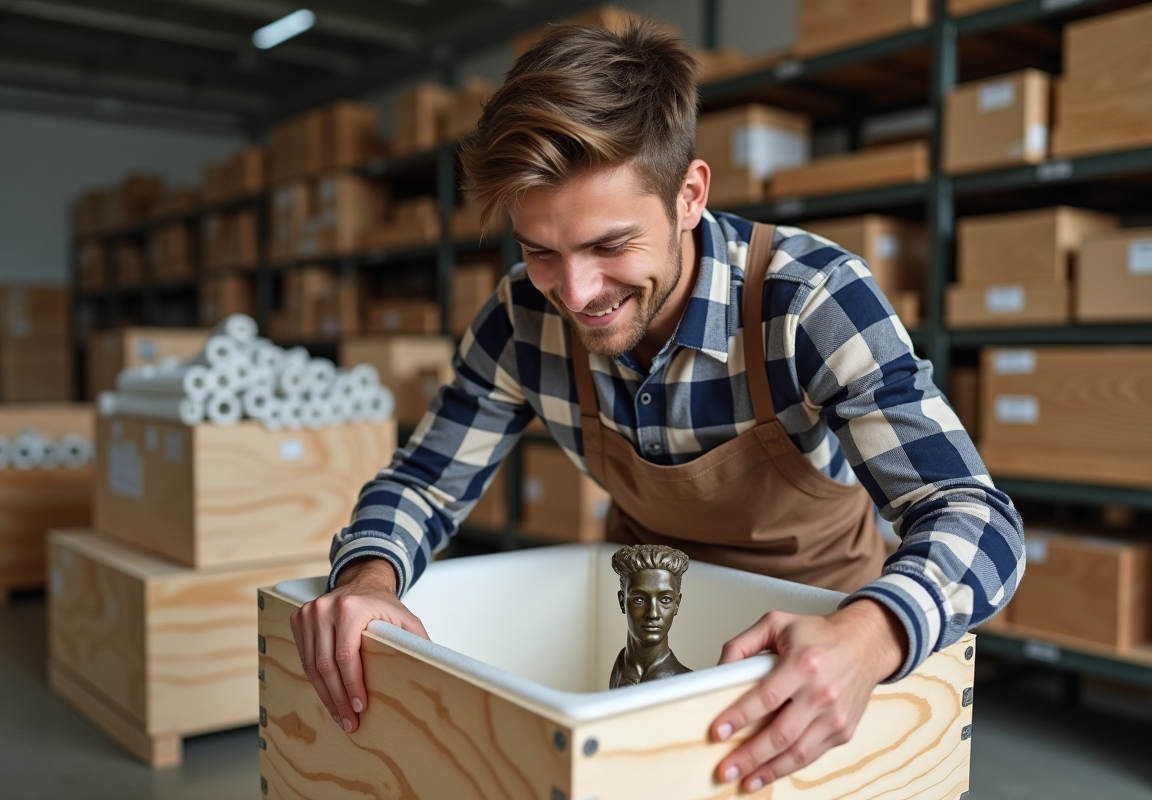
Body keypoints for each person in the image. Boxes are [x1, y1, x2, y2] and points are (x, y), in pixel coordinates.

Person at [290, 20, 1024, 793]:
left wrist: (869, 636)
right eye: (539, 250)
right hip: (641, 636)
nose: (577, 294)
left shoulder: (811, 300)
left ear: (689, 196)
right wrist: (368, 578)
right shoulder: (521, 318)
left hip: (816, 652)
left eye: (609, 246)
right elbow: (425, 482)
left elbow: (975, 515)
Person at [609, 544, 692, 689]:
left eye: (665, 600)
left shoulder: (686, 682)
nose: (653, 614)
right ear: (622, 602)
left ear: (677, 605)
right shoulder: (621, 663)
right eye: (639, 599)